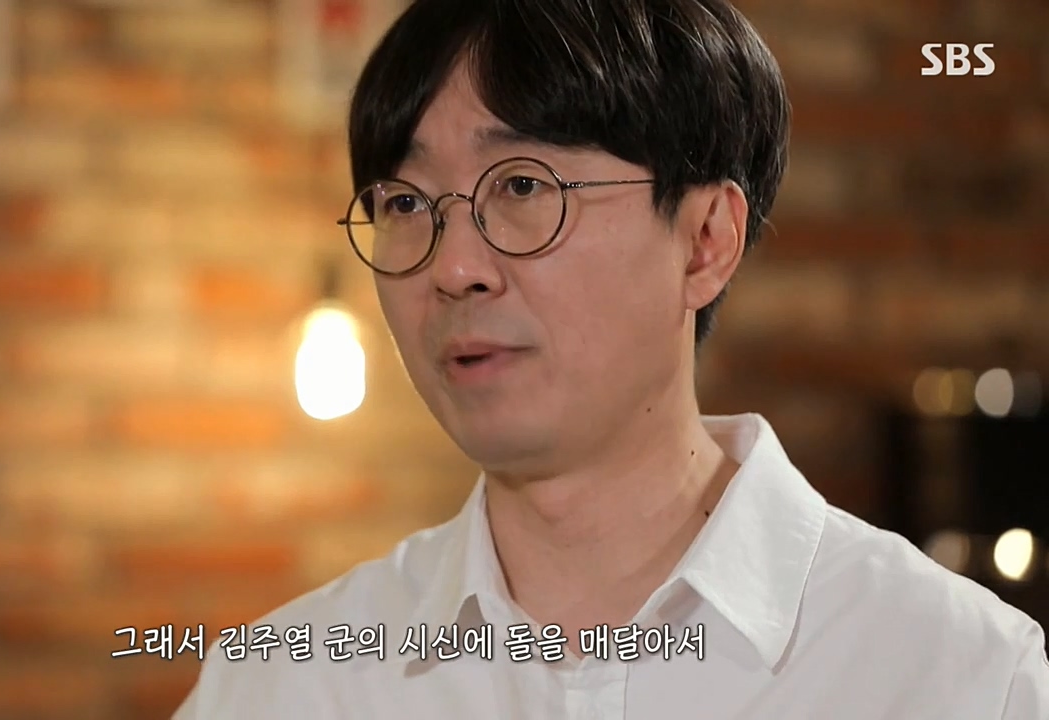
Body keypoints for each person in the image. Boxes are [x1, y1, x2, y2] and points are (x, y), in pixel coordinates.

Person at [175, 0, 1049, 716]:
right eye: (405, 202)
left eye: (523, 186)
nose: (453, 267)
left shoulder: (957, 675)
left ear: (706, 241)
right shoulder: (282, 686)